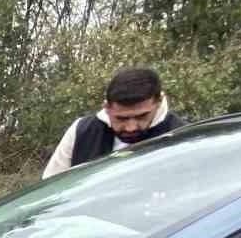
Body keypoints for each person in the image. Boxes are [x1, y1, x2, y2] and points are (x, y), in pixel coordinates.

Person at [43, 68, 185, 178]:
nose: (131, 128)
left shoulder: (184, 138)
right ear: (107, 107)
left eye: (142, 116)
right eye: (121, 118)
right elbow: (50, 190)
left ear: (158, 102)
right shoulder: (82, 131)